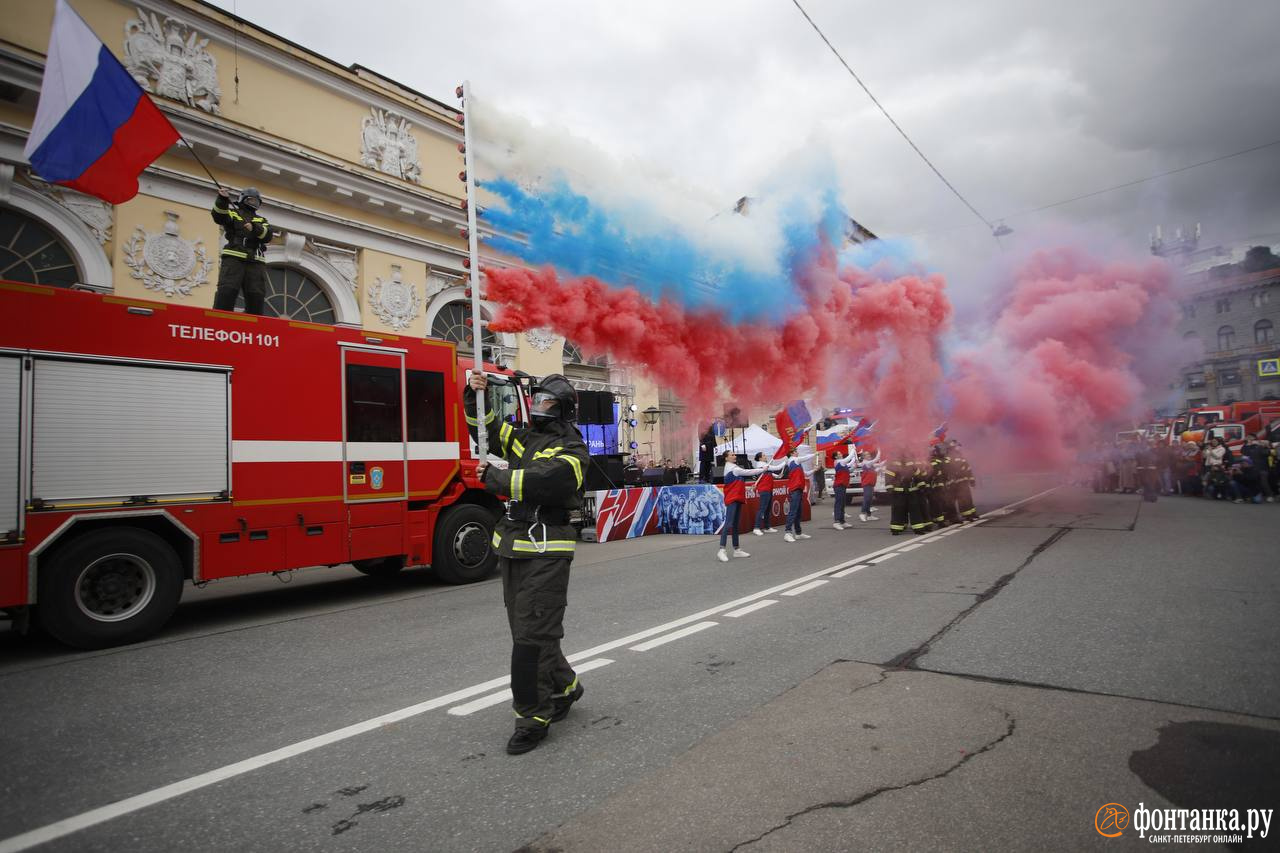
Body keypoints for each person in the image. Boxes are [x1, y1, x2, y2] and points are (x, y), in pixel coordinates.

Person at [465, 370, 590, 755]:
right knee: (530, 630)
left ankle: (533, 716)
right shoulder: (524, 439)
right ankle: (565, 686)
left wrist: (499, 480)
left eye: (547, 402)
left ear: (563, 409)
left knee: (530, 639)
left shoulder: (573, 449)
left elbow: (549, 481)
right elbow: (485, 427)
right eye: (536, 399)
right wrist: (474, 394)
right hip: (514, 548)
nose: (538, 406)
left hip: (546, 549)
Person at [211, 187, 272, 314]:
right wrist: (222, 199)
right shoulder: (233, 213)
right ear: (243, 199)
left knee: (256, 294)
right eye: (250, 200)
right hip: (234, 256)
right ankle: (220, 319)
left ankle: (255, 322)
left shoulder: (261, 220)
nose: (253, 203)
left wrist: (254, 228)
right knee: (227, 289)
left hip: (255, 260)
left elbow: (268, 235)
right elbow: (219, 216)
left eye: (256, 201)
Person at [717, 451, 765, 561]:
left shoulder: (734, 468)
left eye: (734, 454)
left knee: (735, 525)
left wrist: (748, 488)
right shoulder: (732, 468)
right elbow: (748, 472)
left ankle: (736, 549)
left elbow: (736, 485)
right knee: (728, 524)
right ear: (726, 458)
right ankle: (721, 549)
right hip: (732, 499)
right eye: (732, 455)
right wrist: (763, 469)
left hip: (737, 497)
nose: (734, 456)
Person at [750, 451, 786, 536]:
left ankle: (767, 527)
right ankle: (756, 527)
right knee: (762, 509)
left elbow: (773, 474)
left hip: (769, 489)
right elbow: (777, 467)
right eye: (764, 455)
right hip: (764, 490)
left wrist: (778, 476)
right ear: (760, 458)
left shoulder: (766, 466)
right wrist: (785, 461)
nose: (765, 456)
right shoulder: (760, 465)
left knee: (767, 509)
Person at [782, 449, 810, 542]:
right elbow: (805, 458)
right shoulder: (793, 460)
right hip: (795, 489)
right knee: (793, 511)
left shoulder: (797, 463)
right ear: (792, 454)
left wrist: (815, 469)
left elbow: (806, 474)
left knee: (798, 512)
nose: (798, 453)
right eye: (796, 451)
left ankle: (798, 533)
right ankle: (788, 532)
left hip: (798, 489)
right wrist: (815, 454)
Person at [949, 440, 979, 521]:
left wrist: (972, 480)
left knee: (968, 498)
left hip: (964, 481)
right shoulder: (951, 457)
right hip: (958, 482)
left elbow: (968, 469)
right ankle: (966, 515)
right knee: (962, 499)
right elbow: (951, 470)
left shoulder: (960, 456)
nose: (959, 448)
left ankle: (972, 513)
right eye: (957, 446)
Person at [1242, 434, 1275, 502]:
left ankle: (1270, 495)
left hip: (1262, 468)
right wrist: (1247, 444)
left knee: (1264, 482)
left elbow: (1267, 453)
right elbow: (1243, 452)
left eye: (1251, 438)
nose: (1249, 439)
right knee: (1254, 482)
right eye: (1248, 438)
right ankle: (1257, 495)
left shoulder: (1260, 446)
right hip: (1252, 468)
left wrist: (1266, 446)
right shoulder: (1247, 446)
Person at [857, 449, 882, 522]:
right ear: (864, 457)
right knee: (867, 498)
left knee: (869, 499)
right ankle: (862, 513)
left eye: (869, 454)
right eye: (867, 454)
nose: (869, 455)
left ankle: (869, 515)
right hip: (867, 484)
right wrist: (879, 450)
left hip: (870, 484)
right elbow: (876, 459)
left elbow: (879, 465)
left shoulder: (870, 464)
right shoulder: (866, 463)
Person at [831, 449, 852, 529]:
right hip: (839, 485)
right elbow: (848, 459)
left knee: (842, 503)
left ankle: (842, 521)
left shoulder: (842, 463)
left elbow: (849, 467)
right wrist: (853, 450)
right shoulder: (838, 461)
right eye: (839, 453)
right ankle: (836, 522)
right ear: (836, 456)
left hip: (843, 485)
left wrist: (854, 463)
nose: (841, 453)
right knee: (839, 503)